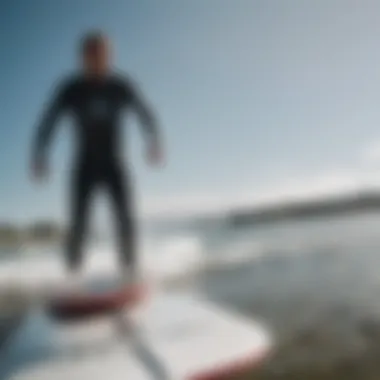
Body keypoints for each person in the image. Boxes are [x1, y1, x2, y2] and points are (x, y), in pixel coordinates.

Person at [30, 31, 163, 287]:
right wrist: (40, 154)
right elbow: (48, 121)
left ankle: (129, 270)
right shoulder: (71, 89)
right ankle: (72, 275)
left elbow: (145, 112)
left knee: (125, 218)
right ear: (82, 58)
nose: (99, 60)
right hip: (84, 166)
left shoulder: (120, 86)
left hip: (115, 164)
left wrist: (153, 140)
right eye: (93, 55)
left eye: (104, 54)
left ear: (109, 56)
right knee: (79, 222)